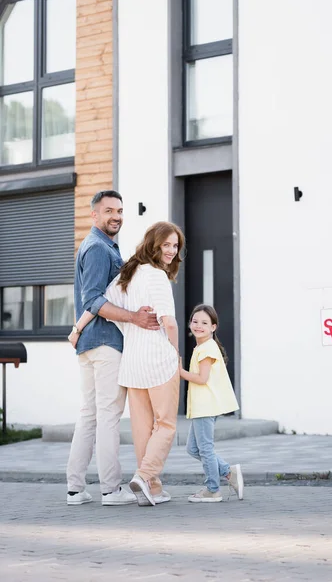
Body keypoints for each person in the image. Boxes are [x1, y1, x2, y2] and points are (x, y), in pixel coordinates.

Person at [73, 221, 185, 507]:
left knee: (142, 427)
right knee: (166, 424)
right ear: (154, 244)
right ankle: (145, 475)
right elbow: (169, 323)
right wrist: (176, 354)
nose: (172, 250)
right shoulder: (157, 276)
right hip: (159, 359)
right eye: (167, 244)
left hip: (133, 363)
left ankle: (152, 489)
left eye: (175, 245)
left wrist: (76, 329)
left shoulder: (128, 273)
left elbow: (95, 303)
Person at [66, 190, 159, 507]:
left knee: (90, 415)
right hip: (105, 344)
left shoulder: (101, 246)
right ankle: (110, 489)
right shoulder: (97, 248)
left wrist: (77, 329)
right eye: (109, 210)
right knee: (107, 416)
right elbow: (93, 298)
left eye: (119, 210)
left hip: (91, 343)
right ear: (94, 215)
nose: (116, 215)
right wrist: (134, 317)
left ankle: (75, 489)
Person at [179, 304, 244, 503]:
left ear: (213, 327)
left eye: (204, 323)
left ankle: (213, 489)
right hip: (201, 406)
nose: (198, 326)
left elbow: (202, 378)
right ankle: (227, 471)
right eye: (195, 321)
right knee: (194, 449)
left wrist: (179, 371)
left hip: (205, 406)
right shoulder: (202, 346)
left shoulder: (207, 348)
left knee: (205, 449)